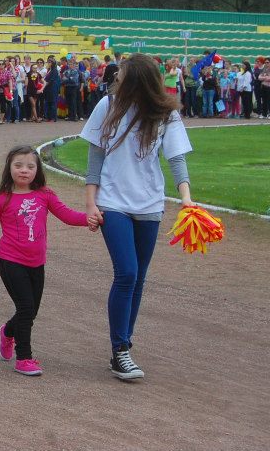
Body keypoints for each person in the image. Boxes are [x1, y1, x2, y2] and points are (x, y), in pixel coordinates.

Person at [81, 53, 194, 381]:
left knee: (139, 277)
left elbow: (176, 159)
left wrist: (186, 198)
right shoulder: (107, 105)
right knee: (127, 273)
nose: (116, 78)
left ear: (137, 80)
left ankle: (124, 345)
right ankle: (120, 350)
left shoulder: (166, 113)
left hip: (149, 204)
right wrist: (91, 203)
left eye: (122, 75)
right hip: (112, 201)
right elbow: (95, 158)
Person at [0, 146, 96, 376]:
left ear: (37, 170)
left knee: (30, 311)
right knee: (26, 308)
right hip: (10, 260)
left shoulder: (45, 194)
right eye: (18, 165)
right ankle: (24, 358)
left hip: (37, 262)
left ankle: (8, 332)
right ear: (9, 168)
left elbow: (67, 215)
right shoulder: (1, 198)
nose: (24, 170)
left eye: (30, 166)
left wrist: (90, 219)